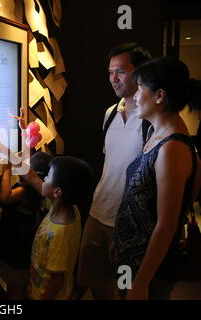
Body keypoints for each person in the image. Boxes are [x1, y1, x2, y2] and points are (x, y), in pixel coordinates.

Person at [113, 57, 201, 300]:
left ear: (160, 95)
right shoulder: (155, 131)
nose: (134, 96)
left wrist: (141, 282)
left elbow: (167, 224)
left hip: (150, 269)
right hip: (130, 257)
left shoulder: (173, 148)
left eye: (139, 88)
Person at [77, 43, 151, 300]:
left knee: (128, 290)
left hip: (129, 223)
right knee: (95, 283)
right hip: (98, 213)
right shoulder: (110, 113)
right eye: (110, 72)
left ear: (141, 72)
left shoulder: (152, 119)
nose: (113, 79)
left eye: (120, 71)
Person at [0, 151, 53, 300]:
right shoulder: (38, 192)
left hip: (15, 247)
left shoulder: (25, 190)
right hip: (25, 246)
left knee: (14, 287)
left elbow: (5, 197)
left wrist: (6, 170)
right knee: (24, 284)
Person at [26, 156, 94, 300]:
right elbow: (31, 177)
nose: (43, 178)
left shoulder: (59, 234)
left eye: (48, 176)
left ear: (57, 191)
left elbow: (57, 281)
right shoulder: (69, 209)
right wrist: (7, 153)